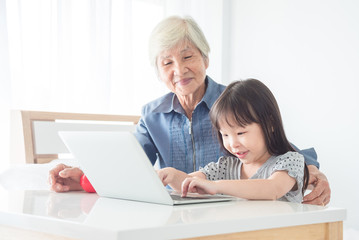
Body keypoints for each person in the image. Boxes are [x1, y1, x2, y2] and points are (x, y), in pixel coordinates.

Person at [48, 15, 330, 205]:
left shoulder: (232, 104)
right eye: (167, 62)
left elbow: (282, 151)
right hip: (181, 218)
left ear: (205, 58)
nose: (179, 70)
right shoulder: (151, 115)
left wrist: (312, 169)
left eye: (187, 57)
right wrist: (85, 177)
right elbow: (130, 167)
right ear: (158, 72)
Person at [157, 79, 308, 202]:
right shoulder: (226, 166)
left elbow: (272, 189)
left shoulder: (290, 161)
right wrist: (172, 175)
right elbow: (190, 183)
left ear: (270, 124)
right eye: (225, 135)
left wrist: (216, 186)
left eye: (240, 132)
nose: (233, 144)